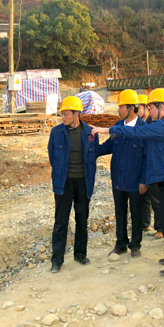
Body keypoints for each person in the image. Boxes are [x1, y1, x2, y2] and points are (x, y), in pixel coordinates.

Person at [92, 88, 164, 276]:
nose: (149, 111)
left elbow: (138, 133)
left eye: (151, 107)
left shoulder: (163, 125)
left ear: (161, 107)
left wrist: (107, 129)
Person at [48, 96, 99, 273]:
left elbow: (93, 156)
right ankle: (57, 260)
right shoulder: (56, 132)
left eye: (66, 114)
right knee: (60, 221)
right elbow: (52, 156)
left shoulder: (90, 133)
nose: (63, 117)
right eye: (62, 114)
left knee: (82, 219)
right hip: (64, 183)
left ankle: (80, 254)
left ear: (77, 114)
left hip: (83, 182)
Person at [97, 89, 145, 258]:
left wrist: (144, 180)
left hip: (136, 180)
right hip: (118, 178)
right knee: (120, 213)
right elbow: (108, 146)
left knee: (136, 213)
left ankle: (135, 245)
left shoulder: (143, 129)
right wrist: (92, 148)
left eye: (121, 106)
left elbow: (148, 158)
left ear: (131, 108)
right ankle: (121, 244)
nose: (118, 110)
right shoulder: (117, 127)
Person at [137, 93, 162, 237]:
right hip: (146, 165)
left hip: (154, 165)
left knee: (156, 197)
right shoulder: (145, 123)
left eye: (139, 107)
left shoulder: (153, 124)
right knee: (145, 197)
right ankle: (145, 223)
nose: (137, 110)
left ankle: (160, 228)